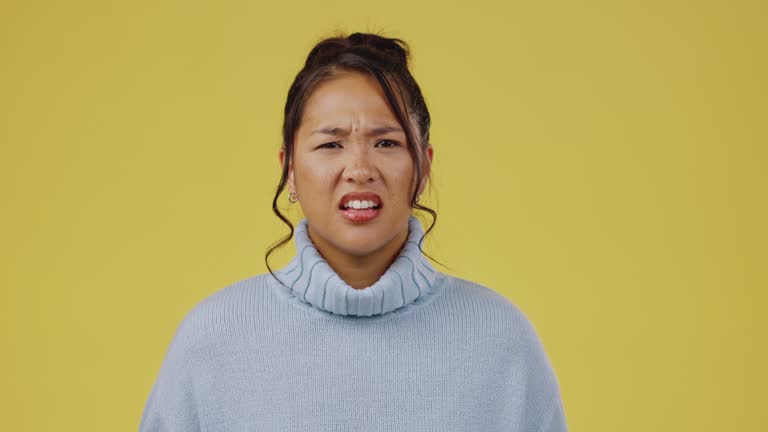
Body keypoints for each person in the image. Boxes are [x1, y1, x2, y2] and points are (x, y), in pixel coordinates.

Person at [139, 32, 567, 432]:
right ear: (289, 169)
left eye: (386, 143)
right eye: (331, 144)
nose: (360, 170)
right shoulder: (213, 339)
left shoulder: (500, 340)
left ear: (423, 168)